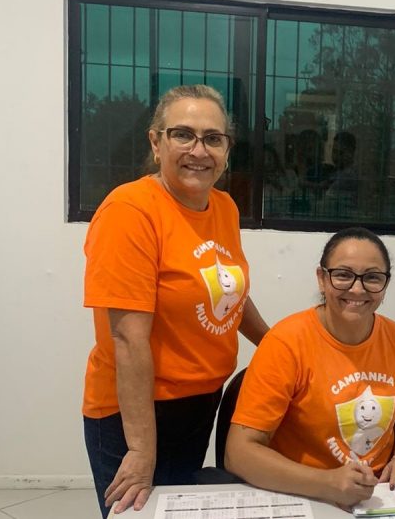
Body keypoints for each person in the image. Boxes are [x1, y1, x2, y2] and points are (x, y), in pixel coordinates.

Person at [82, 85, 271, 518]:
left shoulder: (223, 207)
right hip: (134, 414)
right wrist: (141, 451)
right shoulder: (129, 212)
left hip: (201, 401)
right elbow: (128, 340)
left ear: (227, 149)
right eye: (182, 134)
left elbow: (227, 293)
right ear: (155, 141)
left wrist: (283, 345)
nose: (198, 151)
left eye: (213, 138)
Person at [225, 227, 395, 509]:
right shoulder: (286, 342)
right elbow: (239, 453)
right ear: (322, 279)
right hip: (301, 496)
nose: (357, 289)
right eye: (343, 275)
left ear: (385, 284)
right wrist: (327, 484)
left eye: (372, 277)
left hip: (375, 500)